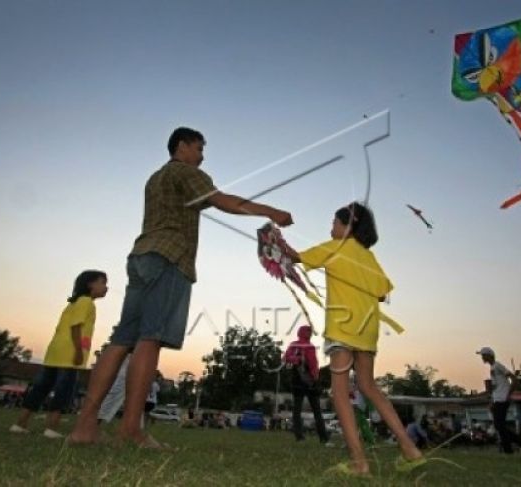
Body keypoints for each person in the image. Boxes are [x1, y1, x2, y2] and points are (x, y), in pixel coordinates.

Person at [69, 127, 293, 448]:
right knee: (150, 339)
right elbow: (222, 201)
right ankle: (131, 429)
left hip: (142, 255)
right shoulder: (185, 172)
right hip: (170, 258)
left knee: (121, 340)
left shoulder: (156, 177)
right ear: (182, 146)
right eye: (199, 148)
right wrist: (271, 211)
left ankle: (84, 427)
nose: (202, 156)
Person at [284, 202, 424, 476]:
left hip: (342, 328)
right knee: (369, 386)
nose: (330, 228)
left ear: (347, 226)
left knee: (339, 392)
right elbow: (383, 293)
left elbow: (295, 257)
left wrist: (272, 239)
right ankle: (410, 449)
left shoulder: (335, 247)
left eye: (334, 223)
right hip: (368, 329)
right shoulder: (369, 257)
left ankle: (359, 462)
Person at [10, 270, 108, 438]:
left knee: (41, 388)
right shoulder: (86, 303)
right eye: (103, 283)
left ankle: (20, 424)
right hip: (69, 353)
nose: (106, 287)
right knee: (65, 390)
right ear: (90, 284)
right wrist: (78, 351)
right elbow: (76, 327)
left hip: (55, 352)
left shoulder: (73, 303)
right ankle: (51, 428)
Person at [283, 325, 329, 444]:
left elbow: (313, 364)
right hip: (303, 380)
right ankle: (319, 438)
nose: (310, 333)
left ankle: (305, 438)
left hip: (302, 380)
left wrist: (314, 377)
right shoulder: (301, 345)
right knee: (310, 410)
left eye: (310, 331)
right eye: (308, 331)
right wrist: (315, 378)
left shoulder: (304, 346)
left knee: (305, 410)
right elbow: (287, 357)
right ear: (303, 332)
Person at [477, 346, 521, 453]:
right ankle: (515, 446)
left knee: (499, 426)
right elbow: (495, 388)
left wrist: (508, 394)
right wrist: (491, 401)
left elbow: (513, 378)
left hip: (503, 399)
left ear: (489, 355)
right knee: (499, 426)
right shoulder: (493, 368)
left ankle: (519, 444)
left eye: (483, 355)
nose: (482, 357)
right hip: (498, 399)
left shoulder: (498, 366)